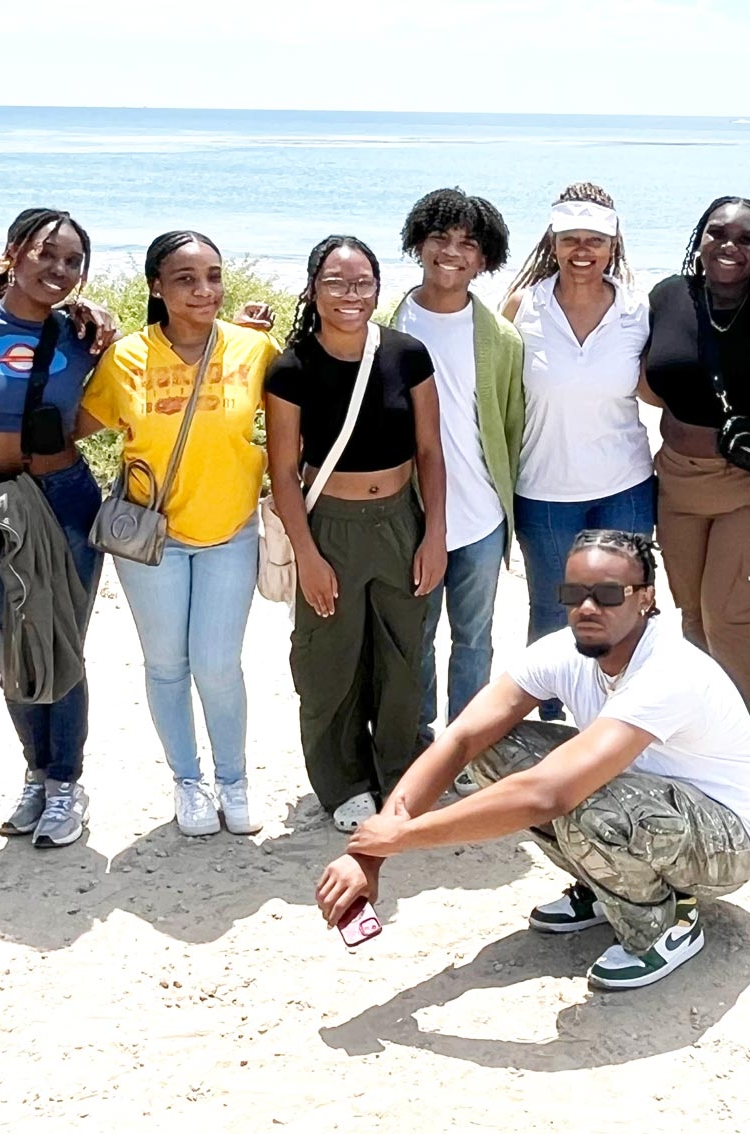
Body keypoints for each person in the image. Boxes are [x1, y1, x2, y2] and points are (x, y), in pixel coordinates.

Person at [314, 530, 750, 991]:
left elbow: (547, 794)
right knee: (492, 750)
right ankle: (609, 886)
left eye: (608, 594)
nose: (588, 608)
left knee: (585, 804)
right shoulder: (566, 650)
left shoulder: (667, 670)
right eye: (574, 593)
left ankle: (662, 927)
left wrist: (405, 836)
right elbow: (460, 739)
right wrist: (368, 856)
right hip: (654, 805)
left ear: (646, 599)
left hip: (728, 841)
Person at [79, 230, 280, 837]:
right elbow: (71, 429)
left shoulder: (253, 349)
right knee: (166, 665)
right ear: (157, 288)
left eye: (213, 276)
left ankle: (234, 779)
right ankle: (188, 782)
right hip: (151, 540)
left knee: (218, 665)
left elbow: (302, 412)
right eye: (186, 279)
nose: (204, 290)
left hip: (231, 533)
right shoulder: (126, 358)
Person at [0, 208, 106, 848]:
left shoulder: (85, 335)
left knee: (60, 642)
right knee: (12, 644)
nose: (58, 270)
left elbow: (113, 401)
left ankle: (66, 784)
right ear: (13, 252)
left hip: (64, 499)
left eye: (72, 262)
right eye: (46, 254)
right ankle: (36, 773)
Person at [265, 236, 448, 832]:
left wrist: (434, 534)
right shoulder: (291, 368)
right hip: (330, 529)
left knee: (401, 656)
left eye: (363, 281)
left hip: (400, 521)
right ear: (313, 288)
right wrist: (308, 555)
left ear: (377, 287)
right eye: (337, 282)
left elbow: (430, 452)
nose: (351, 295)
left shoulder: (407, 355)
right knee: (331, 660)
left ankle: (397, 775)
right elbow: (284, 473)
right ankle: (343, 784)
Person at [642, 196, 750, 733]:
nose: (730, 247)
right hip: (677, 481)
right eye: (718, 234)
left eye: (746, 239)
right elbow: (644, 373)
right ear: (700, 238)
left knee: (730, 618)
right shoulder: (669, 296)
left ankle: (742, 740)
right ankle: (701, 731)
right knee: (691, 616)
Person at [502, 183, 654, 720]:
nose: (582, 251)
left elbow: (658, 384)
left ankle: (622, 719)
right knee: (554, 608)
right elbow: (493, 391)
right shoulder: (523, 306)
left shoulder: (638, 308)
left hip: (626, 486)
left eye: (595, 239)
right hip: (544, 489)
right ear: (553, 241)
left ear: (614, 244)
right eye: (571, 239)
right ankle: (553, 725)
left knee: (627, 608)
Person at [388, 188, 523, 746]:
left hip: (482, 517)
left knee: (474, 638)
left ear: (485, 259)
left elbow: (511, 428)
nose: (452, 252)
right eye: (440, 238)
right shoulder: (385, 328)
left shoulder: (502, 340)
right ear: (419, 243)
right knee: (413, 637)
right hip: (408, 514)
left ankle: (465, 747)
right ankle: (416, 741)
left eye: (468, 243)